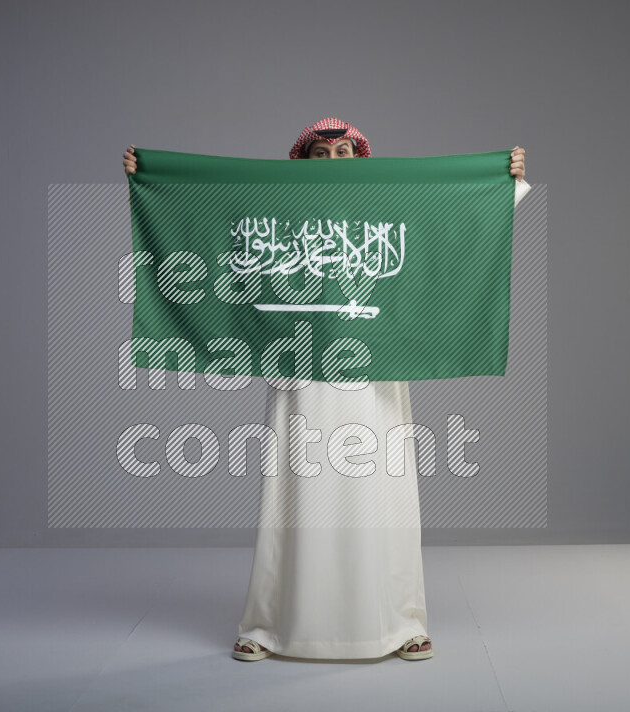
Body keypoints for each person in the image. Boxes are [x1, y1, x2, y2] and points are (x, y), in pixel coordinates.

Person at [122, 119, 529, 662]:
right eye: (322, 153)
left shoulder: (391, 206)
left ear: (361, 160)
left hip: (376, 371)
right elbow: (210, 219)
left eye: (344, 151)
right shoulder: (278, 214)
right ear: (303, 163)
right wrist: (154, 181)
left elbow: (456, 222)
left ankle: (403, 621)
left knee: (382, 493)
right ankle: (268, 624)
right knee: (294, 493)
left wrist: (504, 183)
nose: (334, 160)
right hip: (299, 370)